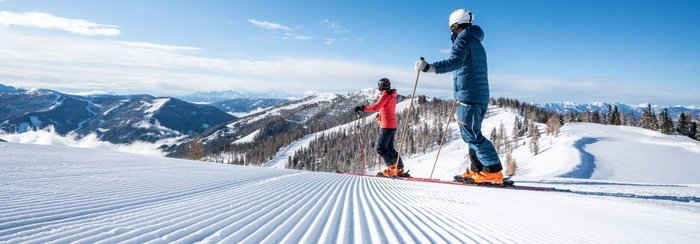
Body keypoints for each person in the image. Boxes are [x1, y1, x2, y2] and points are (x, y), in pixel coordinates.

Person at [414, 9, 504, 184]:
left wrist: (429, 67)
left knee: (471, 135)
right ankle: (477, 170)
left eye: (451, 28)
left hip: (469, 96)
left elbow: (455, 62)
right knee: (472, 134)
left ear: (455, 25)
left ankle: (493, 170)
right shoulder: (476, 41)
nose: (451, 32)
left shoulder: (463, 39)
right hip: (478, 95)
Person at [354, 78, 408, 177]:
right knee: (390, 149)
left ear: (381, 86)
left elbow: (376, 107)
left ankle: (392, 168)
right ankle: (399, 168)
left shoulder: (385, 96)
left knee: (381, 148)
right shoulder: (392, 96)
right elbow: (387, 109)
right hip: (392, 125)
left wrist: (362, 108)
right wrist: (381, 116)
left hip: (386, 126)